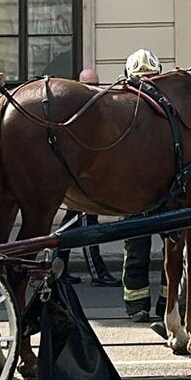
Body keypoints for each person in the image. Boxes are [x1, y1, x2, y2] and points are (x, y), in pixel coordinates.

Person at [120, 47, 166, 323]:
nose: (146, 85)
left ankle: (166, 304)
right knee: (136, 251)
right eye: (141, 79)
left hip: (163, 191)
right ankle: (136, 306)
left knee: (171, 253)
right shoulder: (123, 110)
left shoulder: (168, 108)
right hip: (135, 192)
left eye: (151, 78)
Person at [68, 68, 120, 287]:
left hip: (87, 179)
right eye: (90, 85)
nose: (96, 89)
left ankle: (56, 268)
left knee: (70, 225)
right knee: (87, 226)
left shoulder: (96, 110)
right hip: (82, 180)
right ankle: (97, 273)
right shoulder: (79, 111)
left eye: (98, 84)